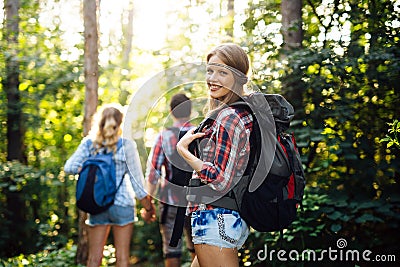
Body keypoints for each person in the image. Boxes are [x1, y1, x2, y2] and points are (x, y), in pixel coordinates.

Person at [176, 43, 253, 267]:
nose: (213, 78)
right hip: (221, 217)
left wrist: (183, 151)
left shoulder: (229, 116)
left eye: (223, 72)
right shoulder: (243, 111)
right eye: (210, 70)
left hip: (215, 218)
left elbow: (220, 180)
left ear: (238, 78)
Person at [64, 104, 156, 267]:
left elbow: (69, 167)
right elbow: (137, 184)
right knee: (122, 258)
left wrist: (86, 167)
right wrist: (148, 208)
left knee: (94, 258)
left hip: (97, 202)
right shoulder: (127, 145)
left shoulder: (89, 145)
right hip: (122, 204)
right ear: (121, 124)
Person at [145, 93, 196, 267]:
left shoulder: (164, 136)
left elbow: (153, 174)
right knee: (199, 248)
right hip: (197, 201)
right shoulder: (200, 133)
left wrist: (148, 204)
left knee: (171, 250)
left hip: (170, 201)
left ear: (171, 112)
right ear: (190, 111)